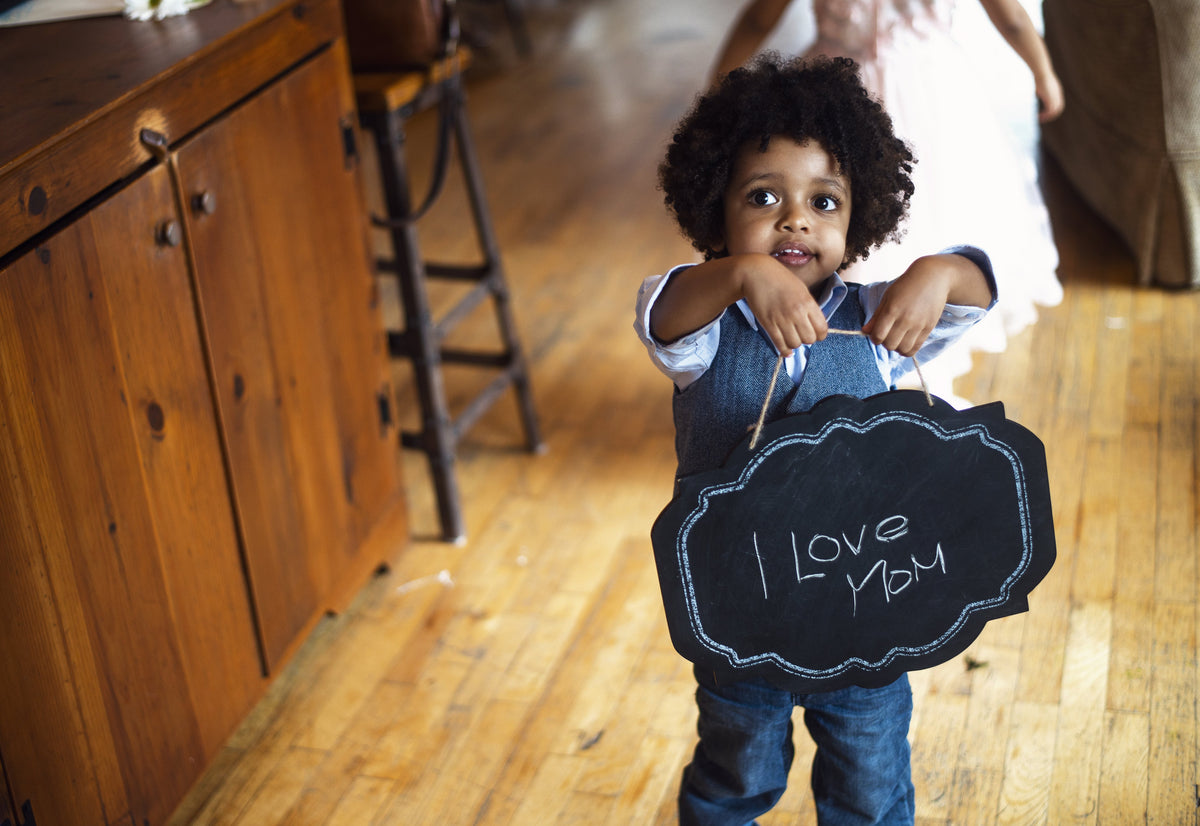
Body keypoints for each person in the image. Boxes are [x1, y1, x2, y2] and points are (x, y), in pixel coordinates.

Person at [633, 54, 996, 824]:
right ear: (717, 211)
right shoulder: (701, 328)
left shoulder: (877, 319)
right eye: (763, 197)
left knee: (870, 783)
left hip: (868, 614)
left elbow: (976, 293)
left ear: (857, 217)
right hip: (740, 623)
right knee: (736, 775)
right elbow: (661, 311)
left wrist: (937, 271)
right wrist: (740, 277)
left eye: (824, 201)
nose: (795, 219)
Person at [709, 0, 1063, 403]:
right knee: (819, 217)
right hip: (849, 95)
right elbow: (759, 16)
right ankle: (814, 363)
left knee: (915, 215)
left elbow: (1011, 14)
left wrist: (719, 87)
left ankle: (888, 360)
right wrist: (1043, 70)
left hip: (916, 96)